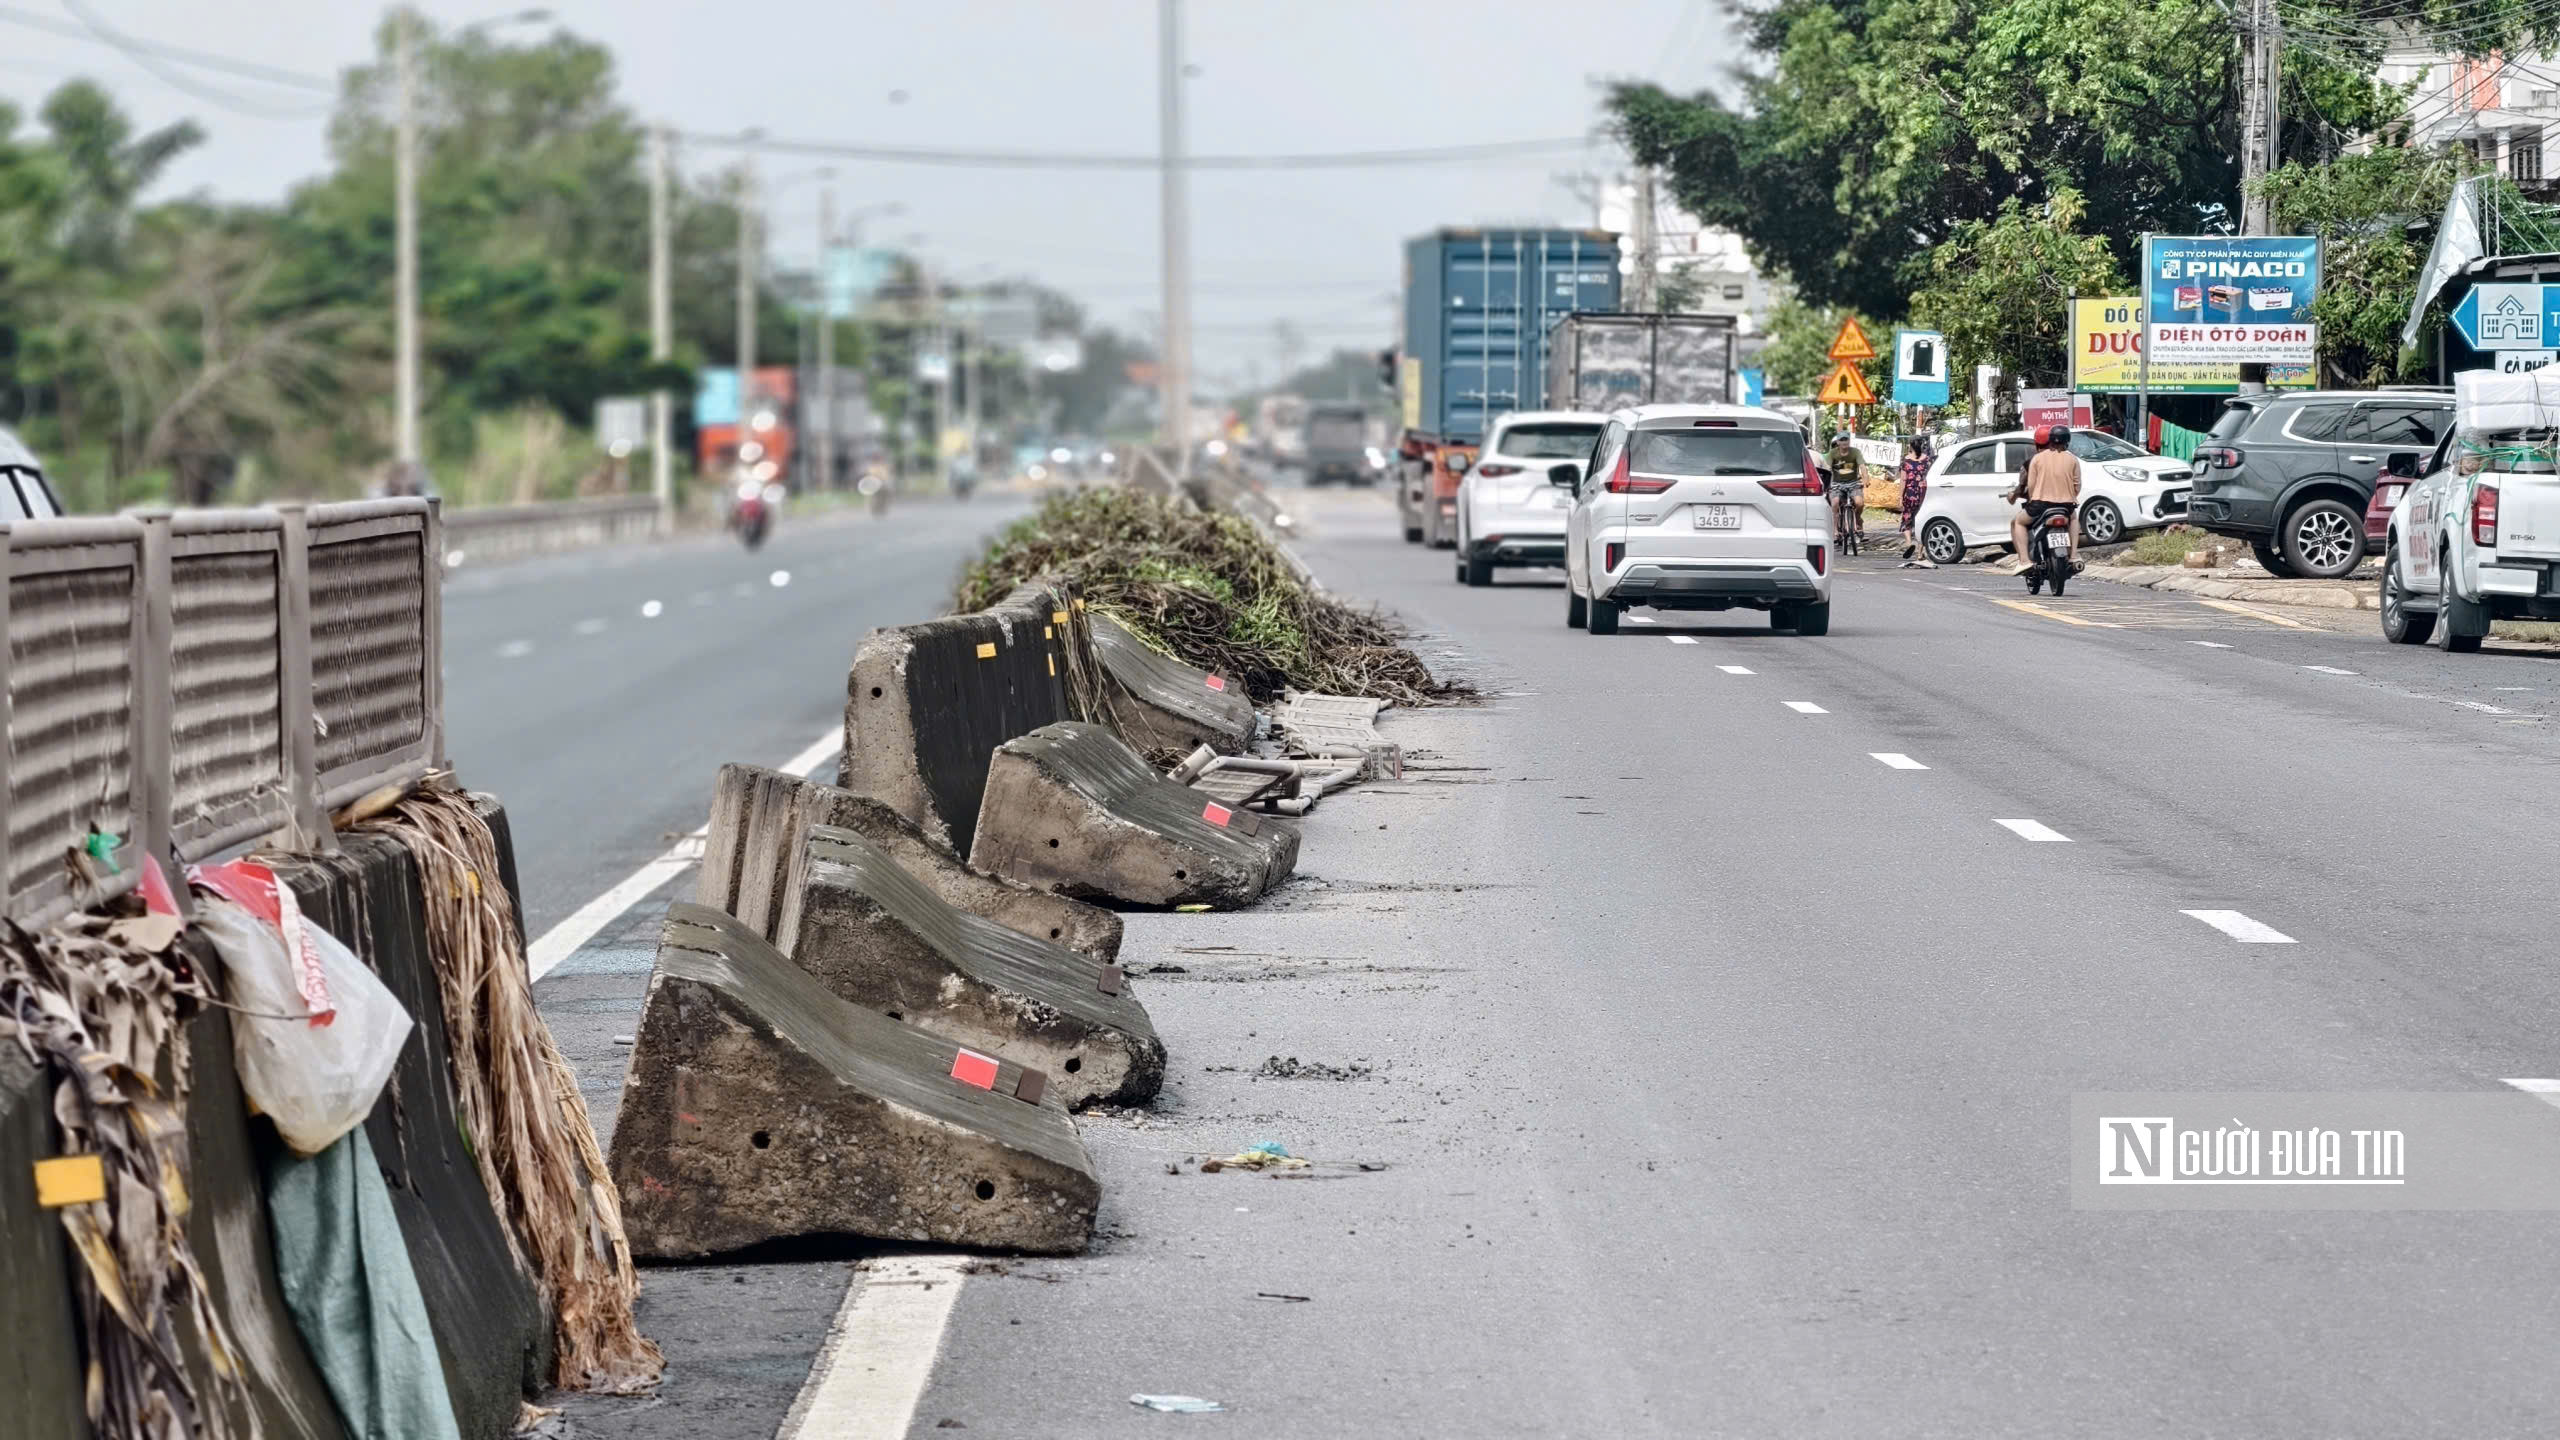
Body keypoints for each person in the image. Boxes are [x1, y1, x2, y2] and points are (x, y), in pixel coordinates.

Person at [2007, 424, 2081, 583]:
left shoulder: (2037, 459)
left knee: (2018, 523)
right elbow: (2077, 486)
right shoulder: (2072, 459)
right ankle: (2074, 556)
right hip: (2066, 506)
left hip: (2040, 505)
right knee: (2074, 518)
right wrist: (2068, 496)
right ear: (2067, 441)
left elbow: (2032, 486)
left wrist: (2035, 497)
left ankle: (2024, 561)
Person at [1898, 436, 1933, 566]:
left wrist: (1900, 496)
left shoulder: (1905, 460)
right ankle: (1920, 553)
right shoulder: (1928, 460)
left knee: (1907, 519)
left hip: (1910, 493)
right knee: (1922, 521)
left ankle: (1908, 542)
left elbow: (1903, 480)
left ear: (1910, 446)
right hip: (1924, 493)